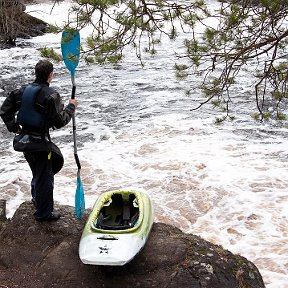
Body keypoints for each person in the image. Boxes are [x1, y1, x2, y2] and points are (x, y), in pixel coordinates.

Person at [0, 60, 78, 222]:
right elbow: (59, 121)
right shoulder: (51, 95)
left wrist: (14, 128)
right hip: (41, 143)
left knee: (38, 172)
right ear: (50, 75)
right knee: (45, 177)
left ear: (36, 73)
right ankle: (43, 213)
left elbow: (4, 110)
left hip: (25, 141)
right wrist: (71, 107)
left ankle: (37, 200)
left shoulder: (21, 91)